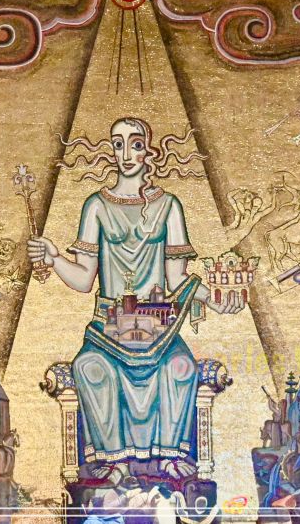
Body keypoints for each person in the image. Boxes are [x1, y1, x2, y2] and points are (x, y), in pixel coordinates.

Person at [27, 117, 243, 485]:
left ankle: (169, 458)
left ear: (150, 150)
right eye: (118, 144)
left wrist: (216, 300)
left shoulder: (168, 206)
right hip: (107, 329)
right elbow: (83, 279)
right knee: (90, 368)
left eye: (136, 144)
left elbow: (178, 279)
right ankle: (115, 463)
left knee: (180, 367)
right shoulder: (96, 206)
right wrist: (54, 257)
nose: (126, 153)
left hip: (157, 326)